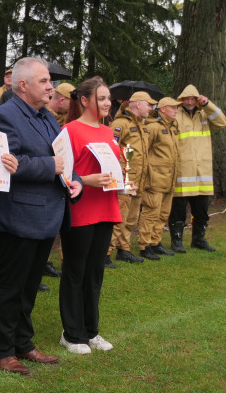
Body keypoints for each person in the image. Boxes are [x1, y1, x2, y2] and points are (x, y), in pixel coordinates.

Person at [0, 57, 80, 375]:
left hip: (45, 215)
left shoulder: (46, 116)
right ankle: (2, 350)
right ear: (23, 85)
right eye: (44, 81)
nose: (51, 87)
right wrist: (49, 166)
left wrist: (73, 179)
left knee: (29, 286)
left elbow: (61, 156)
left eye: (50, 81)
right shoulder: (4, 116)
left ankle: (23, 342)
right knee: (12, 286)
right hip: (18, 216)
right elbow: (5, 163)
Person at [58, 77, 119, 354]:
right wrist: (86, 180)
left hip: (106, 207)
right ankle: (72, 334)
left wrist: (123, 182)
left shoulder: (108, 131)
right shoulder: (70, 130)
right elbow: (62, 175)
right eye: (101, 98)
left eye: (108, 99)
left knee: (95, 271)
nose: (107, 103)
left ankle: (91, 330)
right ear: (84, 101)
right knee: (75, 271)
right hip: (81, 209)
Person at [169, 85, 226, 252]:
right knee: (178, 210)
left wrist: (208, 104)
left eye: (192, 99)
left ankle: (199, 239)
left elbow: (222, 122)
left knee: (201, 210)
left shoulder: (204, 114)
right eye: (186, 99)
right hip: (183, 170)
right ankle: (177, 241)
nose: (189, 102)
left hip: (202, 171)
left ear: (197, 99)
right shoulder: (176, 115)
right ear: (181, 100)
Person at [108, 91, 154, 263]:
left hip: (138, 179)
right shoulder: (120, 124)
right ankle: (105, 252)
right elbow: (111, 149)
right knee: (119, 216)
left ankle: (124, 249)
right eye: (148, 104)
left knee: (131, 218)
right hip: (125, 178)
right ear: (138, 104)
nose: (151, 108)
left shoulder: (141, 125)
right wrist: (118, 175)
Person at [138, 97, 180, 259]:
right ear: (162, 109)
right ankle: (145, 245)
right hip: (155, 178)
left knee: (163, 213)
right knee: (151, 212)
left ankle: (155, 242)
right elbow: (143, 150)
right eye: (173, 107)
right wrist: (147, 173)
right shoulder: (153, 127)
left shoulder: (172, 127)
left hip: (169, 178)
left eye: (177, 108)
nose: (176, 110)